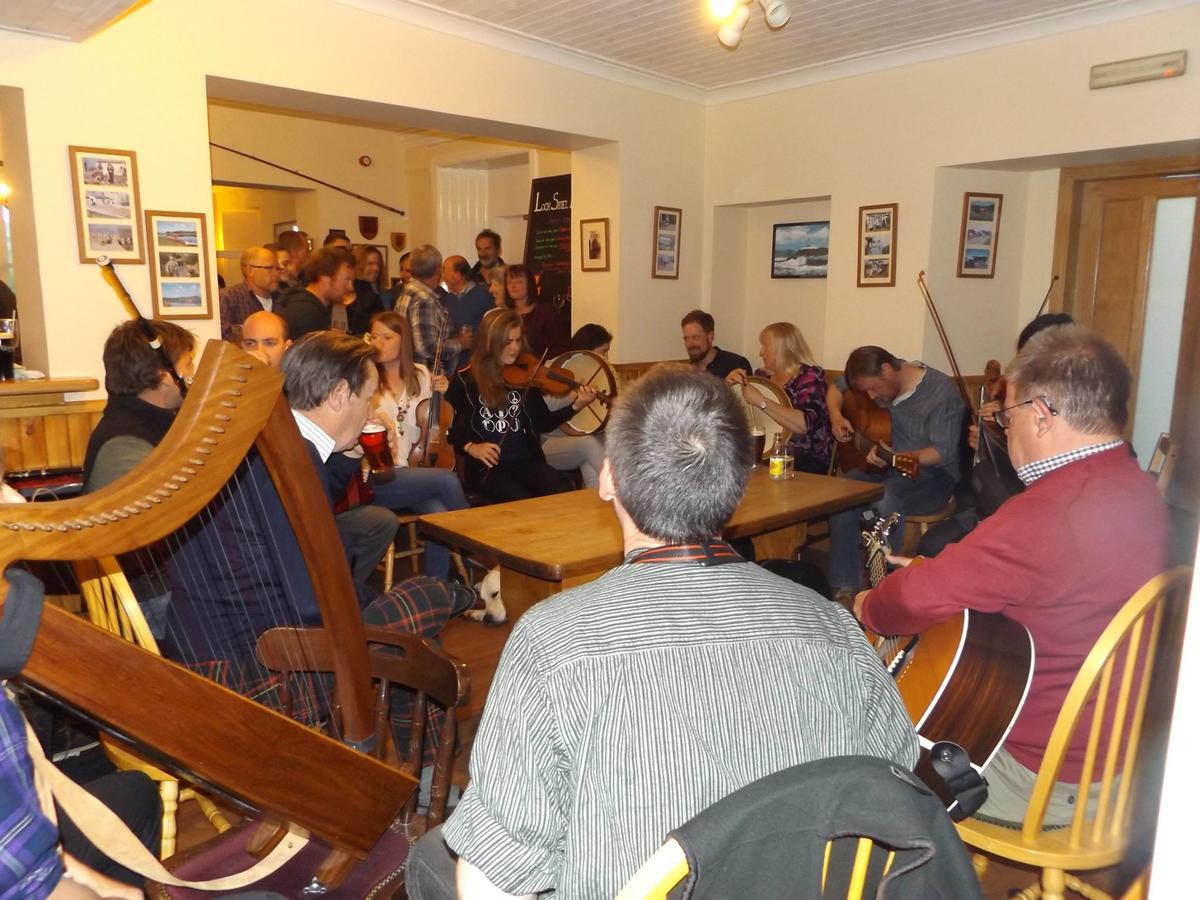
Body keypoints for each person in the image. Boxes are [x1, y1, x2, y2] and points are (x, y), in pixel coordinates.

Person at [405, 367, 918, 899]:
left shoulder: (551, 641)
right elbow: (900, 792)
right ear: (738, 486)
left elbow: (495, 879)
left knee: (433, 857)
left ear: (607, 479)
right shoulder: (836, 628)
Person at [855, 325, 1169, 827]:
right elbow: (1047, 583)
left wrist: (864, 604)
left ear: (1041, 416)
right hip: (1128, 762)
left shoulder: (1048, 512)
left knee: (852, 739)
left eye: (1006, 415)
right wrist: (942, 571)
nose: (1004, 429)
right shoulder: (1140, 487)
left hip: (1044, 779)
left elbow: (904, 607)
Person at [164, 331, 472, 743]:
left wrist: (346, 458)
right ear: (340, 394)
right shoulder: (291, 463)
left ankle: (400, 763)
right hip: (259, 664)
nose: (368, 411)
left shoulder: (270, 441)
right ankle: (454, 603)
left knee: (410, 637)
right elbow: (312, 598)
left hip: (214, 642)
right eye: (366, 398)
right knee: (420, 611)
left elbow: (305, 526)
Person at [917, 312, 1075, 557]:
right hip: (991, 507)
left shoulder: (1077, 413)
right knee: (932, 544)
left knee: (952, 552)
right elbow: (976, 478)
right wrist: (982, 443)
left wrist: (1006, 430)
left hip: (1026, 518)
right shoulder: (1015, 400)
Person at [824, 345, 965, 603]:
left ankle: (886, 588)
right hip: (890, 470)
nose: (870, 395)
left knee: (886, 498)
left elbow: (942, 452)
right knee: (844, 492)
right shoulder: (875, 374)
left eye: (873, 388)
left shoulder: (940, 392)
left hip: (933, 477)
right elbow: (836, 387)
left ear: (887, 370)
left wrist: (898, 457)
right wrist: (836, 416)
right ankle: (844, 588)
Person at [446, 309, 595, 503]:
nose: (515, 348)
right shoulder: (466, 380)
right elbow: (448, 426)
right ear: (490, 341)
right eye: (507, 342)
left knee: (562, 489)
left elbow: (543, 422)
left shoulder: (525, 376)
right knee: (520, 499)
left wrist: (576, 406)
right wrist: (471, 447)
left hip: (527, 462)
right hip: (488, 468)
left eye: (518, 340)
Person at [368, 312, 469, 582]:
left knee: (437, 513)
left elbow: (437, 424)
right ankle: (476, 547)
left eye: (387, 337)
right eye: (374, 336)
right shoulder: (365, 378)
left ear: (404, 343)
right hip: (382, 475)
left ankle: (437, 588)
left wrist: (443, 395)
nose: (379, 343)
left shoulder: (421, 374)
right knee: (447, 481)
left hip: (417, 471)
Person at [83, 320, 196, 494]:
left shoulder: (163, 419)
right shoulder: (123, 445)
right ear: (165, 377)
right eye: (189, 364)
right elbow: (159, 512)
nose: (194, 372)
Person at [727, 322, 833, 475]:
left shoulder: (810, 376)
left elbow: (803, 425)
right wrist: (728, 386)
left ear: (782, 349)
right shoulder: (762, 377)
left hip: (803, 457)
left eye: (765, 346)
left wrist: (762, 401)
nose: (761, 352)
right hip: (765, 455)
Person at [398, 245, 460, 374]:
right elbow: (427, 347)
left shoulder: (408, 291)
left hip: (411, 372)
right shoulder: (424, 299)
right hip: (426, 377)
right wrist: (460, 343)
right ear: (437, 270)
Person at [275, 246, 354, 341]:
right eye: (347, 280)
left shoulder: (304, 303)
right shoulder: (307, 314)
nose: (351, 287)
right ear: (325, 278)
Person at [503, 263, 568, 359]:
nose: (513, 285)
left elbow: (562, 347)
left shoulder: (546, 312)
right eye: (509, 282)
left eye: (519, 281)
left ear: (529, 284)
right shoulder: (504, 316)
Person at [441, 255, 494, 370]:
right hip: (453, 366)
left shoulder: (484, 295)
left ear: (458, 274)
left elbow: (493, 331)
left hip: (477, 366)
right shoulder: (448, 298)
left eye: (445, 270)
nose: (442, 276)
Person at [219, 246, 280, 343]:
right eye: (269, 268)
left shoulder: (284, 299)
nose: (276, 273)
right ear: (249, 270)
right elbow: (223, 341)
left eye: (278, 268)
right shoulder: (228, 298)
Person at [681, 309, 751, 379]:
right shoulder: (684, 373)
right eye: (686, 338)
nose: (690, 344)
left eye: (695, 337)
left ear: (710, 336)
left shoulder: (737, 364)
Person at [347, 245, 385, 335]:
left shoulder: (346, 290)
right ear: (358, 265)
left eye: (378, 264)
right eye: (370, 264)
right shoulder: (370, 297)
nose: (376, 269)